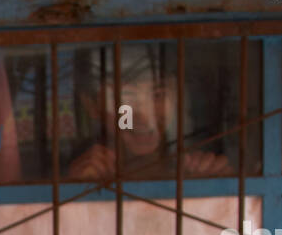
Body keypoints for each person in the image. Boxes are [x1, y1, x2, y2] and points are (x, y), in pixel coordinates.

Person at [67, 46, 232, 180]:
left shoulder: (200, 171)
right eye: (126, 97)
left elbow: (247, 221)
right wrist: (74, 191)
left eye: (158, 95)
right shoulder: (61, 179)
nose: (145, 116)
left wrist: (220, 194)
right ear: (91, 105)